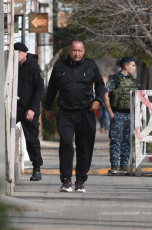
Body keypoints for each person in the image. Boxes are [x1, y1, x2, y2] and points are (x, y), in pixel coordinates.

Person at [44, 38, 105, 193]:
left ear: (83, 51)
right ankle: (66, 180)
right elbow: (51, 89)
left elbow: (100, 85)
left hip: (86, 112)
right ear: (69, 51)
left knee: (84, 147)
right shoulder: (59, 67)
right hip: (66, 113)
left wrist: (98, 100)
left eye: (79, 51)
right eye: (74, 50)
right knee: (65, 143)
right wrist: (47, 108)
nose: (76, 54)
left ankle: (80, 180)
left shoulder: (90, 65)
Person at [14, 42, 44, 181]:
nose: (18, 54)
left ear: (26, 53)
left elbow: (39, 90)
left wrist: (32, 109)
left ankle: (37, 168)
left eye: (21, 52)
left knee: (31, 139)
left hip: (30, 108)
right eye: (16, 52)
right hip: (15, 106)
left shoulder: (33, 66)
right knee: (5, 133)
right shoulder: (12, 65)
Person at [104, 56, 137, 173]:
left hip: (130, 115)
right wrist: (110, 112)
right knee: (115, 141)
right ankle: (114, 166)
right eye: (133, 65)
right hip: (117, 113)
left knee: (127, 141)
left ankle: (124, 166)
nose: (134, 68)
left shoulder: (133, 80)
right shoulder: (114, 79)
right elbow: (105, 95)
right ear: (126, 66)